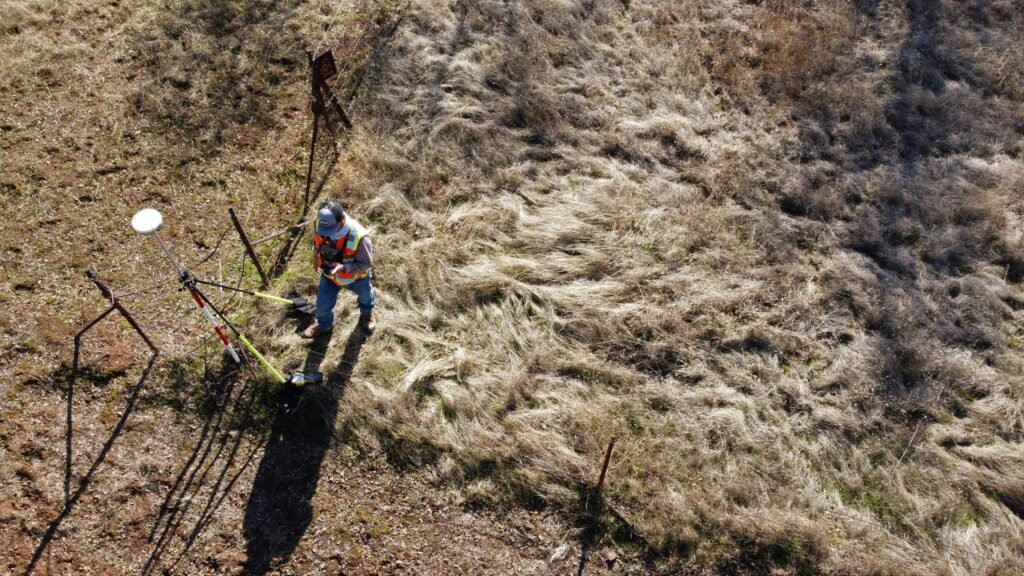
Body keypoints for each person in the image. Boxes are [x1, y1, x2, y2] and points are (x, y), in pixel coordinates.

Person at [301, 199, 376, 338]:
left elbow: (366, 263)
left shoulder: (360, 237)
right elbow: (316, 245)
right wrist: (316, 260)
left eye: (331, 230)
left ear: (342, 218)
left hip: (357, 278)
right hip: (329, 276)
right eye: (325, 231)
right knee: (322, 306)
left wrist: (344, 267)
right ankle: (324, 325)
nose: (327, 234)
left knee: (366, 297)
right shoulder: (319, 225)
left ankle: (367, 314)